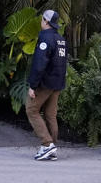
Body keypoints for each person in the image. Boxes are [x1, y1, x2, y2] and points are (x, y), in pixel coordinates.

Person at [26, 9, 68, 161]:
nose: (41, 21)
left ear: (46, 21)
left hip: (45, 83)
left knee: (31, 110)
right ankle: (51, 149)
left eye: (42, 19)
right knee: (50, 115)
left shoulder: (45, 38)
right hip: (57, 82)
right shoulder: (60, 39)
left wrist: (33, 85)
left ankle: (47, 144)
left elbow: (39, 64)